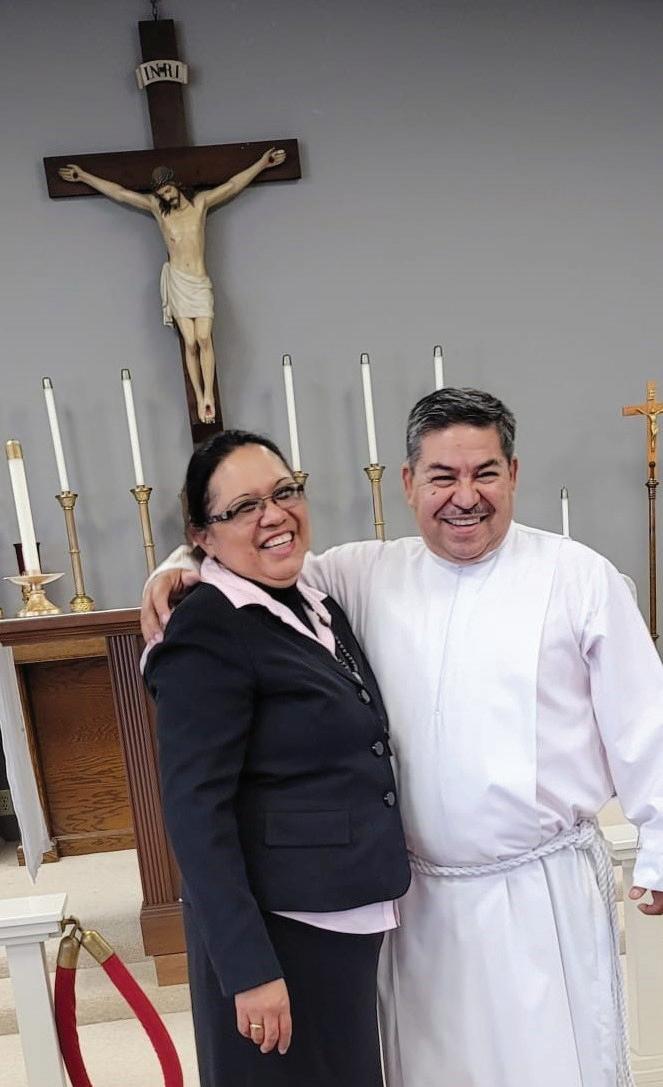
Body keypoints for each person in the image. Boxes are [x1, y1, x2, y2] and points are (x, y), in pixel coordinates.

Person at [143, 388, 663, 1087]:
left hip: (539, 895)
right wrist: (175, 566)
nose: (465, 497)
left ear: (513, 474)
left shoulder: (576, 578)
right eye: (443, 476)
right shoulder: (364, 573)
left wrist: (659, 841)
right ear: (409, 481)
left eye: (484, 473)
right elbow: (253, 565)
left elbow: (645, 716)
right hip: (417, 905)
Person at [142, 429, 411, 1087]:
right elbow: (195, 811)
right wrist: (248, 969)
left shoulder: (312, 601)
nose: (273, 515)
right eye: (242, 507)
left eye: (284, 492)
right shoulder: (207, 626)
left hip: (338, 912)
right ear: (202, 536)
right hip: (279, 929)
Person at [59, 149, 285, 423]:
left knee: (204, 337)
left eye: (167, 190)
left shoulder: (200, 204)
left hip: (199, 281)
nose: (166, 196)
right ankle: (201, 397)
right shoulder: (159, 210)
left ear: (176, 185)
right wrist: (84, 176)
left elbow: (232, 185)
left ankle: (209, 394)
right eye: (161, 194)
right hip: (178, 281)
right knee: (189, 341)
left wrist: (261, 164)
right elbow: (120, 193)